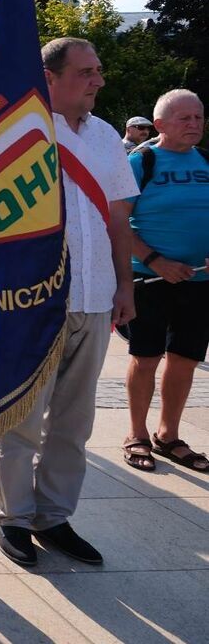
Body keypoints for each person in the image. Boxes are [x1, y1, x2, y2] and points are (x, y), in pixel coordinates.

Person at [0, 38, 137, 567]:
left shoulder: (104, 136)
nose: (98, 80)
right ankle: (13, 517)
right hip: (34, 300)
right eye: (86, 72)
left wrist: (125, 284)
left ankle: (53, 515)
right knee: (23, 417)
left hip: (96, 295)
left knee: (74, 422)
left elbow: (118, 218)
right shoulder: (17, 131)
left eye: (99, 70)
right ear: (49, 77)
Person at [120, 89, 208, 474]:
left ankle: (169, 435)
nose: (194, 124)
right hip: (149, 280)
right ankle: (136, 433)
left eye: (199, 117)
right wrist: (156, 261)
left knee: (185, 359)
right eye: (184, 118)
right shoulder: (142, 161)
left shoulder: (206, 161)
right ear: (159, 126)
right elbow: (116, 222)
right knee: (146, 357)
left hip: (199, 281)